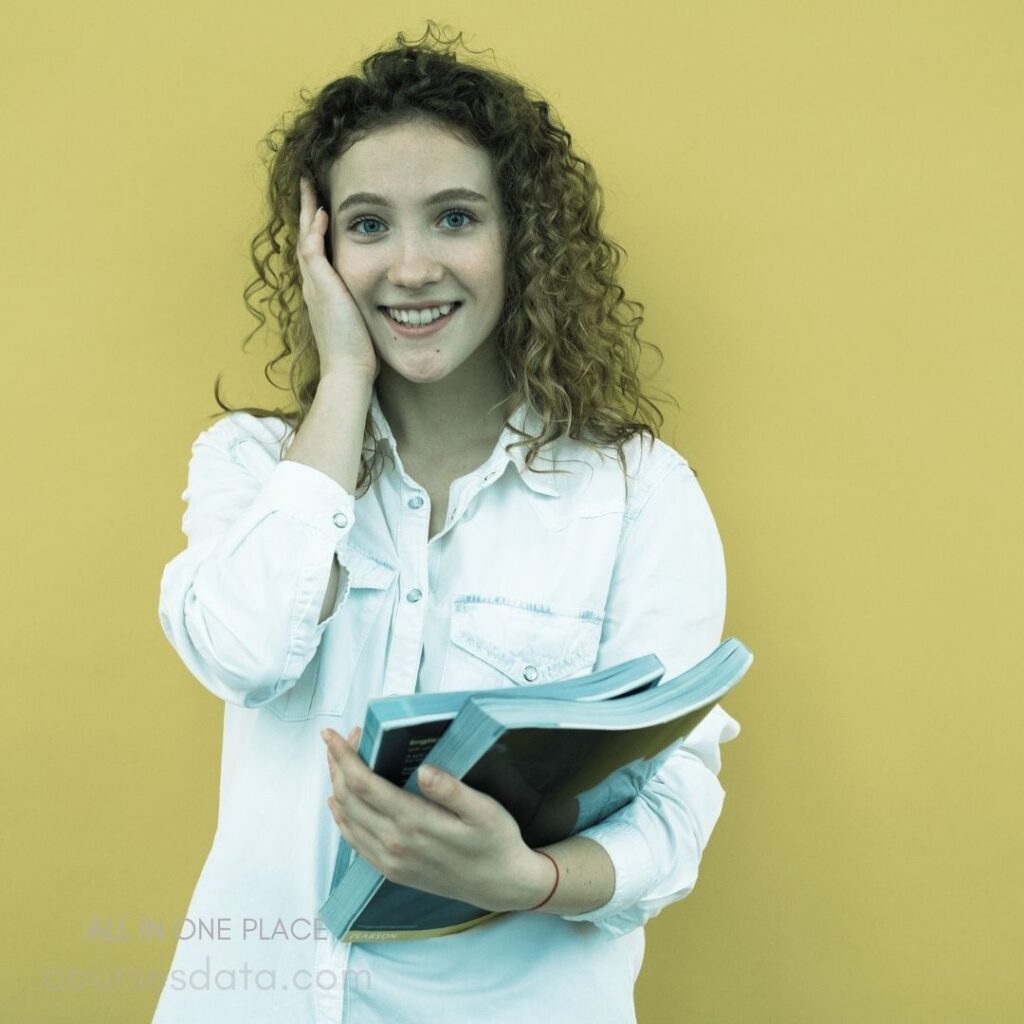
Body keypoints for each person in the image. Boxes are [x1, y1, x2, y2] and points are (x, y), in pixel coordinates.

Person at [153, 22, 740, 1024]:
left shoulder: (639, 490)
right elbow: (244, 652)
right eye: (370, 224)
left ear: (521, 240)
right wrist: (342, 381)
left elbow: (673, 803)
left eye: (455, 217)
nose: (412, 266)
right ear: (320, 247)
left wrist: (529, 879)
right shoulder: (254, 466)